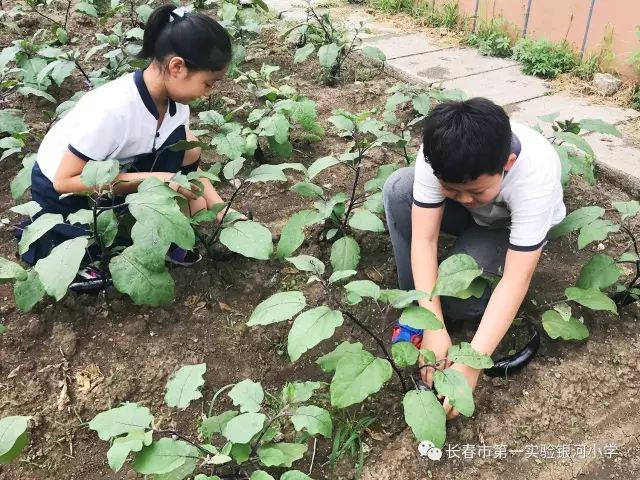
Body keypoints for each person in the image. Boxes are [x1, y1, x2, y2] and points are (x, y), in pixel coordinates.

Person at [23, 5, 231, 290]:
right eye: (208, 83)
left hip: (118, 169)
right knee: (98, 256)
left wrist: (221, 208)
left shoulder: (176, 106)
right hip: (65, 191)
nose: (210, 92)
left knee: (188, 144)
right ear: (177, 67)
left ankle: (158, 235)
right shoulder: (114, 110)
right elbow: (65, 181)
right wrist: (157, 180)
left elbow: (188, 162)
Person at [382, 97, 566, 419]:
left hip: (507, 227)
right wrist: (433, 325)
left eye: (477, 191)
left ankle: (451, 288)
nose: (466, 200)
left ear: (507, 164)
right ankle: (417, 304)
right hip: (477, 219)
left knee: (459, 302)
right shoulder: (436, 155)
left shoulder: (535, 176)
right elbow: (424, 239)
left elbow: (515, 280)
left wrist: (471, 364)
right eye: (452, 190)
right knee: (399, 189)